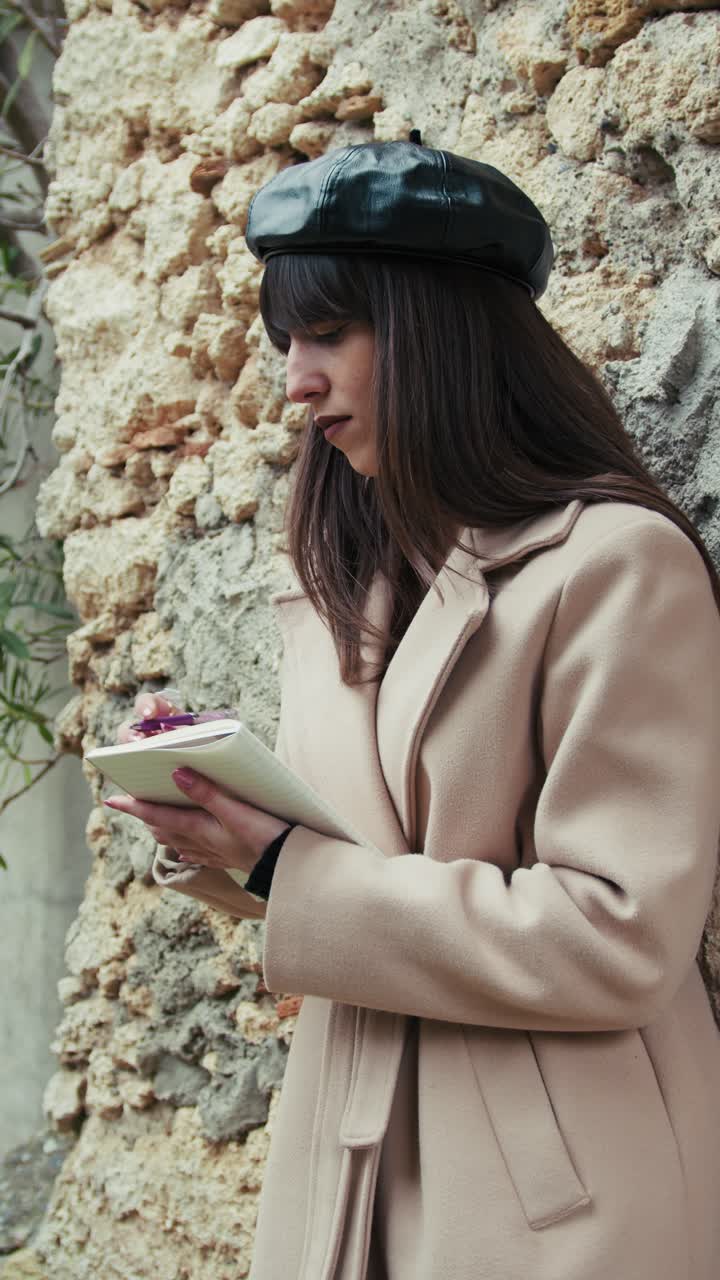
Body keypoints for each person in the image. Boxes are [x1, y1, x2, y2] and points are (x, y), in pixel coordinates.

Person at [107, 139, 720, 1280]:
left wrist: (289, 869)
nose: (295, 381)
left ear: (439, 330)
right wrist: (218, 815)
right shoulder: (339, 576)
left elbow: (623, 934)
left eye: (329, 333)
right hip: (343, 1144)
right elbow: (347, 865)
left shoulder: (620, 567)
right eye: (285, 342)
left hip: (558, 1181)